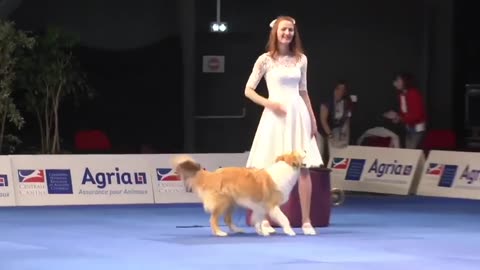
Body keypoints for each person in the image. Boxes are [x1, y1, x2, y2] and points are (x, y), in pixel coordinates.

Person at [244, 15, 323, 235]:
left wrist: (313, 119)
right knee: (268, 168)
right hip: (274, 117)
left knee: (304, 168)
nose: (287, 33)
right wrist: (270, 104)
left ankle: (306, 221)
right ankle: (266, 219)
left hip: (298, 116)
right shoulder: (265, 60)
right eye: (283, 30)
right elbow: (248, 90)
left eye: (290, 30)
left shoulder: (301, 59)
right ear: (275, 33)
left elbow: (304, 91)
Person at [383, 72, 426, 149]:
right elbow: (405, 113)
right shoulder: (402, 95)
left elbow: (416, 116)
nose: (394, 83)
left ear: (405, 81)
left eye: (397, 81)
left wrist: (398, 117)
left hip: (417, 129)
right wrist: (396, 117)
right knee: (407, 152)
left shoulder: (414, 94)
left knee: (411, 154)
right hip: (408, 128)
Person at [318, 80, 353, 163]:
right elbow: (323, 120)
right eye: (338, 89)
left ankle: (334, 169)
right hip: (321, 128)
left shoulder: (346, 102)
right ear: (334, 90)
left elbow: (346, 120)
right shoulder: (327, 101)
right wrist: (330, 135)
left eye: (342, 90)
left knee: (335, 149)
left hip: (334, 127)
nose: (340, 92)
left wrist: (344, 134)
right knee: (320, 150)